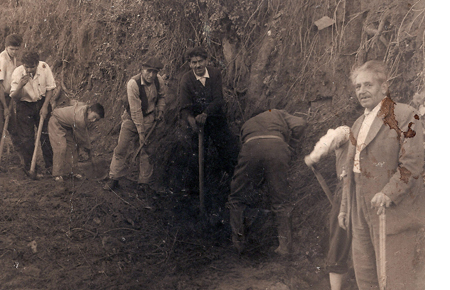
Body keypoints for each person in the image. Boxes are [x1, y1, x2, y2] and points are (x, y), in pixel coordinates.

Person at [339, 60, 424, 290]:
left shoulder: (405, 114)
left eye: (368, 84)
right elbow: (350, 171)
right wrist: (345, 208)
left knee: (395, 271)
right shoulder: (356, 124)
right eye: (357, 86)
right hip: (359, 205)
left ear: (384, 86)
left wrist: (389, 192)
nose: (362, 90)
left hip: (391, 207)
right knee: (365, 265)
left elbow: (413, 160)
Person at [228, 109, 306, 256]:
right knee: (280, 200)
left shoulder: (247, 123)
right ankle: (284, 248)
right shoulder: (278, 113)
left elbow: (244, 152)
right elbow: (300, 124)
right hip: (277, 148)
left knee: (236, 198)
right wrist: (292, 147)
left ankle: (238, 245)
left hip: (251, 147)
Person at [178, 46, 238, 215]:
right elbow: (184, 108)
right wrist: (192, 122)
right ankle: (194, 195)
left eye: (200, 61)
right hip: (197, 125)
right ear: (190, 64)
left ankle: (234, 189)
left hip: (216, 119)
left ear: (206, 61)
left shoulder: (215, 74)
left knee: (230, 150)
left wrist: (206, 113)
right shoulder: (186, 80)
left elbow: (219, 100)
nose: (198, 65)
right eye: (194, 62)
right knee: (195, 157)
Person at [103, 57, 166, 196]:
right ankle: (114, 177)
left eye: (154, 72)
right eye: (148, 71)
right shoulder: (133, 84)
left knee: (146, 150)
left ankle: (144, 181)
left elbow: (162, 97)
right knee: (121, 148)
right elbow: (136, 111)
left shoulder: (158, 80)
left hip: (150, 118)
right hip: (132, 119)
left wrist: (160, 110)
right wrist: (141, 133)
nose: (151, 75)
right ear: (142, 69)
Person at [305, 126, 352, 290]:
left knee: (340, 238)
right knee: (341, 236)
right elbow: (332, 138)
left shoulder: (348, 131)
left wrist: (313, 157)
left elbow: (332, 136)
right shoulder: (350, 132)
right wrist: (316, 155)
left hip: (357, 189)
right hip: (350, 187)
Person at [10, 50, 57, 177]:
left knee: (46, 135)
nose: (29, 69)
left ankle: (50, 165)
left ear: (37, 64)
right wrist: (20, 85)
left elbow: (50, 88)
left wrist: (45, 106)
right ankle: (30, 167)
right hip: (24, 105)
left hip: (42, 102)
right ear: (23, 65)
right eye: (27, 67)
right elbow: (15, 97)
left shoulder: (44, 67)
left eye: (32, 67)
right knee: (27, 138)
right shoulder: (17, 73)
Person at [0, 33, 23, 167]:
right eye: (11, 49)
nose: (14, 52)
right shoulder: (2, 60)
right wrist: (5, 107)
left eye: (16, 49)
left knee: (13, 127)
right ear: (6, 47)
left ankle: (22, 157)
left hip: (7, 96)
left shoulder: (12, 58)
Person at [48, 102, 105, 181]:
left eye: (96, 120)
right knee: (61, 147)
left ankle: (72, 172)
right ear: (89, 111)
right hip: (56, 122)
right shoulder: (80, 119)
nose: (93, 120)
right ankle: (57, 175)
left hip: (68, 126)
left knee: (73, 146)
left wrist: (88, 147)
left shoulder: (86, 111)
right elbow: (82, 137)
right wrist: (88, 148)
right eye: (94, 117)